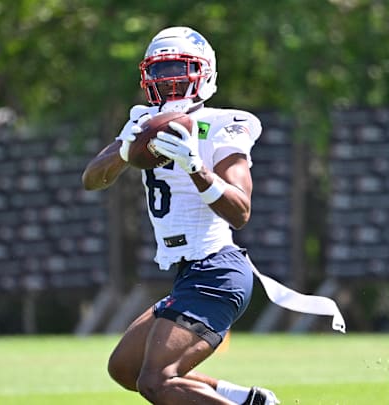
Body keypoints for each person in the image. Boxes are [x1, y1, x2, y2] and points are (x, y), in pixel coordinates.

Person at [82, 27, 280, 404]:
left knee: (156, 381)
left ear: (204, 73)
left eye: (178, 67)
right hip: (189, 272)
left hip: (217, 272)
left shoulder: (225, 126)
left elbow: (241, 211)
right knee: (125, 368)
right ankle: (249, 401)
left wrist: (195, 167)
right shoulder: (141, 121)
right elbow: (92, 179)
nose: (169, 79)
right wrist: (125, 151)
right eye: (160, 70)